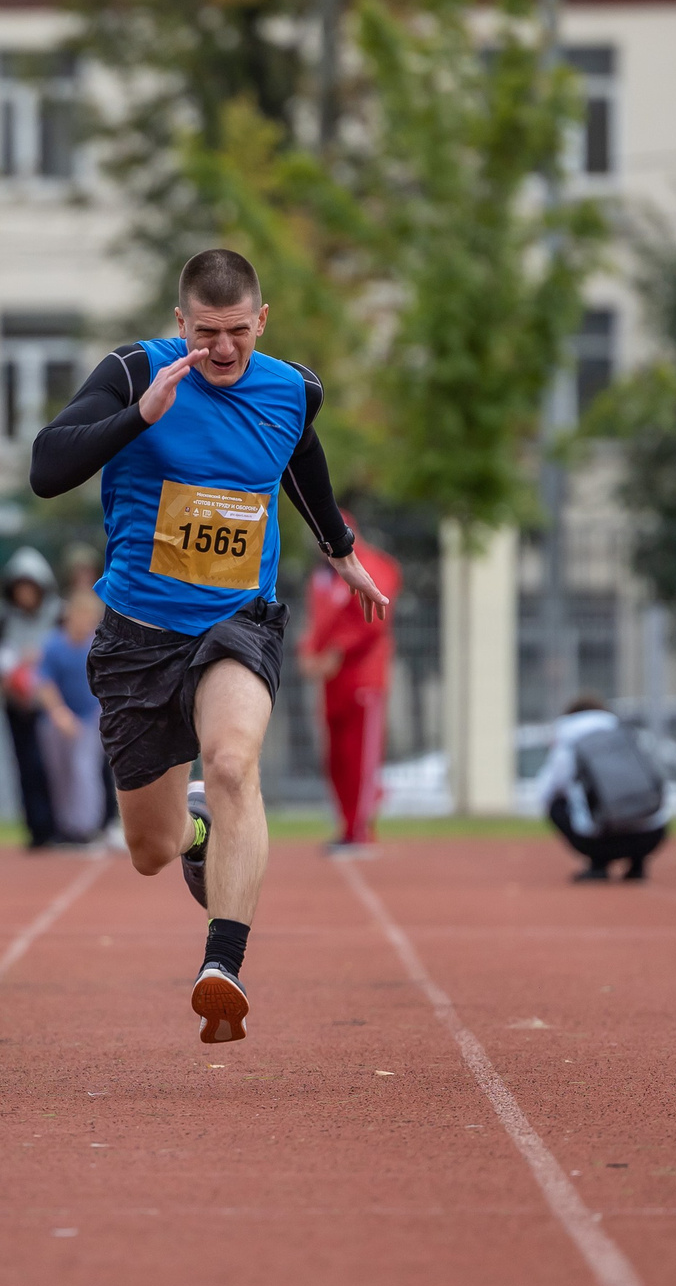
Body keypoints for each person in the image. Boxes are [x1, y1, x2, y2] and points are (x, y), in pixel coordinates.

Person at [31, 247, 390, 1044]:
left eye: (238, 333)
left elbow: (300, 456)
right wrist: (140, 419)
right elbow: (46, 470)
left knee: (232, 763)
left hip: (238, 620)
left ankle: (221, 966)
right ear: (179, 324)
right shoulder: (133, 373)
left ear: (261, 321)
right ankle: (195, 831)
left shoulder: (293, 389)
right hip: (138, 635)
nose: (223, 350)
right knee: (151, 850)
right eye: (205, 334)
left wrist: (341, 549)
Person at [301, 519, 402, 853]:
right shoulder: (321, 577)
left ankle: (360, 829)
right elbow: (317, 622)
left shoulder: (374, 566)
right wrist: (310, 653)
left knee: (361, 755)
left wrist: (336, 651)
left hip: (362, 677)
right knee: (338, 758)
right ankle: (348, 825)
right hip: (333, 681)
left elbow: (375, 616)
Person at [532, 698, 670, 883]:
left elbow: (551, 788)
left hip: (601, 840)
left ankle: (598, 864)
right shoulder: (626, 734)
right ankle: (637, 865)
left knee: (557, 804)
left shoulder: (570, 741)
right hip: (652, 834)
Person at [0, 548, 60, 849]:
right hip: (16, 705)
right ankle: (36, 829)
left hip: (50, 705)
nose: (25, 595)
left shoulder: (58, 615)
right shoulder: (1, 618)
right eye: (20, 589)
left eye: (31, 588)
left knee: (51, 765)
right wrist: (4, 680)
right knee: (26, 766)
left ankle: (64, 824)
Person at [33, 591, 108, 843]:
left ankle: (86, 827)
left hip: (91, 716)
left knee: (83, 768)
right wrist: (58, 713)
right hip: (58, 719)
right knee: (60, 773)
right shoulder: (53, 645)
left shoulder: (97, 646)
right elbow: (44, 682)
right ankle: (65, 827)